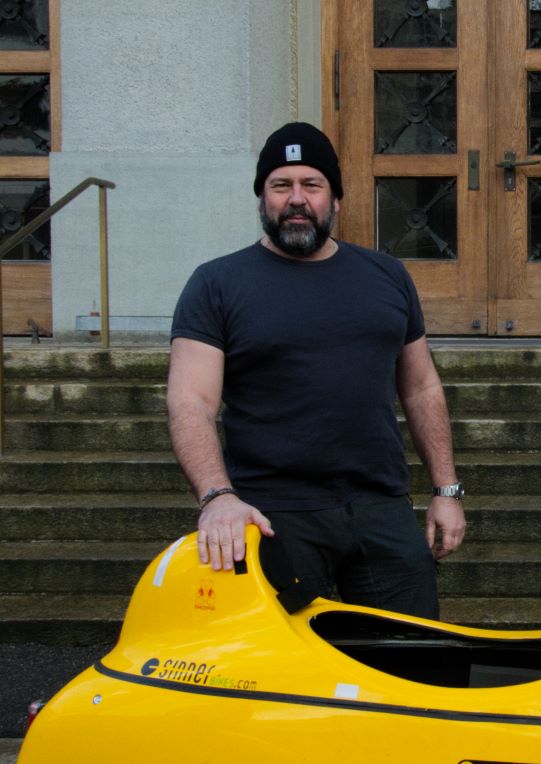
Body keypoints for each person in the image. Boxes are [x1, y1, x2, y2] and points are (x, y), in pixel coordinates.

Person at [167, 121, 465, 619]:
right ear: (262, 198)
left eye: (312, 184)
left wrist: (446, 491)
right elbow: (190, 402)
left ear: (336, 199)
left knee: (414, 662)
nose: (297, 198)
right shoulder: (216, 284)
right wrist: (217, 497)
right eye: (281, 186)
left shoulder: (387, 276)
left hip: (380, 506)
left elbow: (421, 387)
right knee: (286, 680)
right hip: (273, 514)